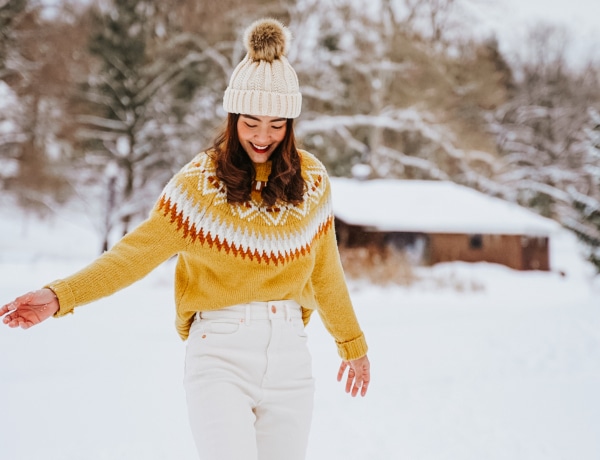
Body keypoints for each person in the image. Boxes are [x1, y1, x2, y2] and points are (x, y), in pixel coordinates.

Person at [1, 17, 370, 460]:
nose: (262, 136)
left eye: (277, 125)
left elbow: (326, 269)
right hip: (220, 355)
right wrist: (60, 295)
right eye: (251, 122)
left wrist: (352, 344)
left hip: (291, 354)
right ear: (233, 116)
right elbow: (133, 255)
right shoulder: (199, 184)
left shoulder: (311, 180)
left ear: (291, 124)